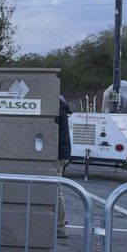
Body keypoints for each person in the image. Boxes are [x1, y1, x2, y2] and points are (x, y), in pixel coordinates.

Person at [56, 94, 72, 238]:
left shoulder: (54, 104)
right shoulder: (60, 103)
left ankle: (60, 227)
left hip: (57, 154)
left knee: (55, 190)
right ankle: (59, 224)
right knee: (55, 189)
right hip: (62, 153)